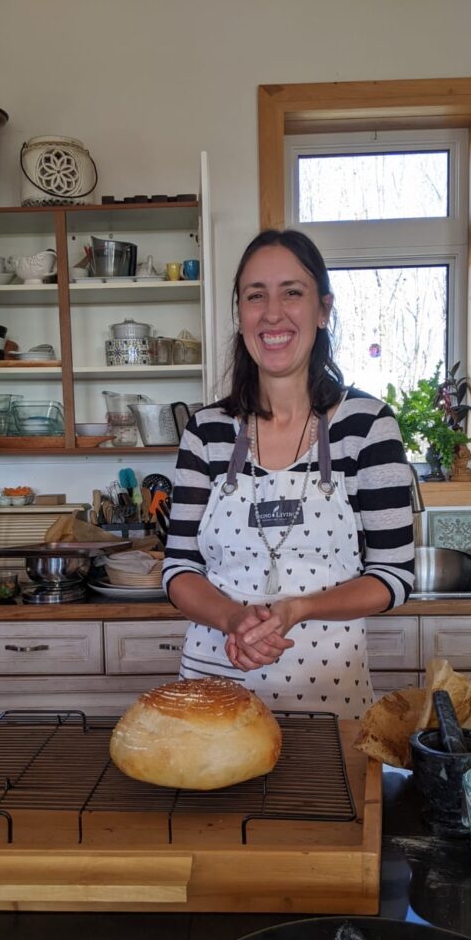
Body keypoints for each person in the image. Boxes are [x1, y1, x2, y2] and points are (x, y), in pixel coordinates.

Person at [162, 229, 414, 716]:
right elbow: (179, 569)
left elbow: (393, 576)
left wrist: (297, 609)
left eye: (291, 293)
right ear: (240, 315)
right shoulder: (207, 431)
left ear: (323, 310)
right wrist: (234, 619)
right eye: (256, 296)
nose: (272, 313)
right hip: (213, 688)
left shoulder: (366, 426)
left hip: (329, 698)